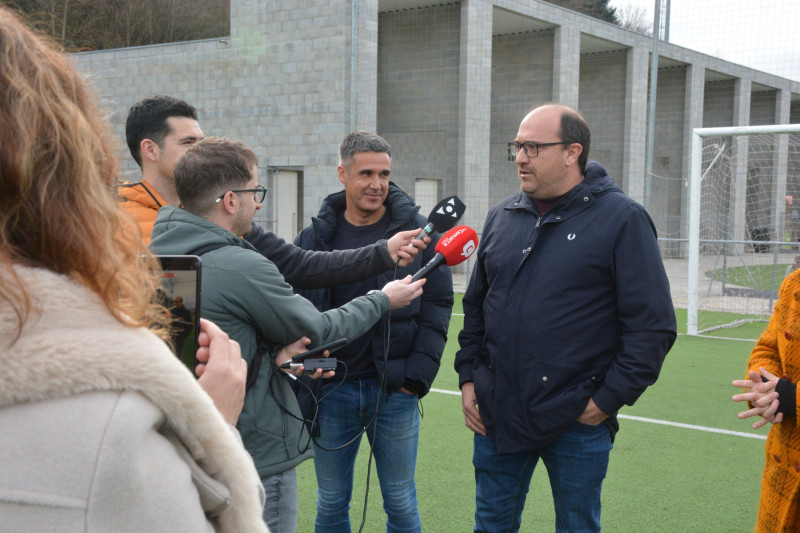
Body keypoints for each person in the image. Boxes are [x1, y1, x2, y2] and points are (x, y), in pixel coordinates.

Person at [0, 7, 268, 531]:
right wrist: (206, 431)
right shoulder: (109, 436)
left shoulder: (214, 221)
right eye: (190, 143)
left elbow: (293, 263)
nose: (202, 151)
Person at [149, 136, 426, 533]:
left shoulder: (159, 252)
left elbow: (193, 346)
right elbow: (318, 329)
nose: (259, 204)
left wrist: (273, 356)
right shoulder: (240, 263)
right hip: (253, 448)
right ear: (231, 201)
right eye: (255, 192)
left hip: (185, 443)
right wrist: (381, 300)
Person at [454, 103, 677, 532]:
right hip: (499, 411)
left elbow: (652, 327)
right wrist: (469, 378)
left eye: (533, 147)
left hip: (577, 419)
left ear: (573, 152)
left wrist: (605, 401)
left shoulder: (622, 219)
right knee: (491, 524)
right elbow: (476, 309)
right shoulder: (502, 216)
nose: (520, 158)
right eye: (517, 147)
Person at [294, 131, 454, 532]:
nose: (377, 184)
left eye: (384, 174)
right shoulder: (315, 237)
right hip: (331, 390)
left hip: (394, 391)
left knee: (400, 501)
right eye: (366, 173)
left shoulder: (418, 232)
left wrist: (415, 377)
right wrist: (309, 369)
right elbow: (294, 310)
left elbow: (437, 306)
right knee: (331, 502)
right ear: (342, 174)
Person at [119, 95, 427, 287]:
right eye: (188, 143)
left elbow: (301, 265)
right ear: (150, 149)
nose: (199, 151)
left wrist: (382, 252)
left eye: (201, 141)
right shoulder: (115, 223)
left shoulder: (225, 215)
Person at [732, 267, 800, 532]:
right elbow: (768, 347)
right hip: (783, 469)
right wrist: (764, 388)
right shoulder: (794, 282)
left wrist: (793, 398)